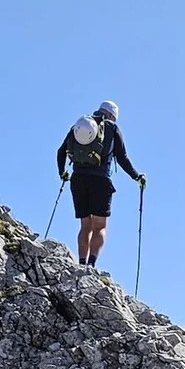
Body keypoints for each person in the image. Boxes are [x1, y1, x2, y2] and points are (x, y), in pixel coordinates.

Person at [56, 100, 144, 270]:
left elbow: (61, 152)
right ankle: (91, 264)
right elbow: (122, 158)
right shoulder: (112, 128)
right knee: (100, 226)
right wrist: (137, 176)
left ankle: (81, 263)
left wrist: (62, 173)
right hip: (100, 181)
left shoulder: (80, 125)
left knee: (85, 225)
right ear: (111, 115)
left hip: (78, 179)